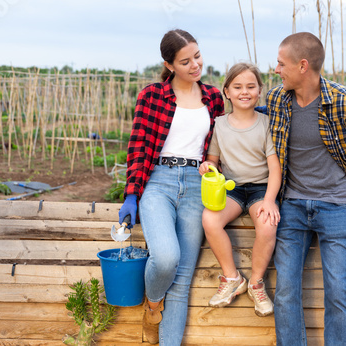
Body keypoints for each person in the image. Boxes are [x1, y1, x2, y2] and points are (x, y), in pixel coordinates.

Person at [266, 32, 346, 345]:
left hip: (336, 207)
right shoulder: (276, 100)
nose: (276, 69)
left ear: (303, 66)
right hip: (293, 207)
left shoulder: (344, 102)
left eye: (281, 63)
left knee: (338, 290)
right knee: (286, 289)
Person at [118, 29, 224, 345]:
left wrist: (254, 115)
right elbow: (138, 146)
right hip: (159, 181)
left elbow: (224, 139)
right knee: (165, 258)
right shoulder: (152, 96)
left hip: (197, 185)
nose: (195, 65)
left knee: (180, 282)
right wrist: (132, 194)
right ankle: (152, 305)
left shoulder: (214, 98)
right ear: (169, 64)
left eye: (197, 56)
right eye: (185, 61)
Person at [199, 62, 281, 317]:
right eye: (237, 87)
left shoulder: (267, 123)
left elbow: (275, 168)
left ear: (259, 91)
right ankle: (232, 278)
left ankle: (256, 283)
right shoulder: (220, 125)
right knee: (209, 219)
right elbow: (213, 159)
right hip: (231, 188)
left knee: (268, 224)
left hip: (260, 189)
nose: (244, 92)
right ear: (227, 91)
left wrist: (269, 200)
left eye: (250, 86)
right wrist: (207, 166)